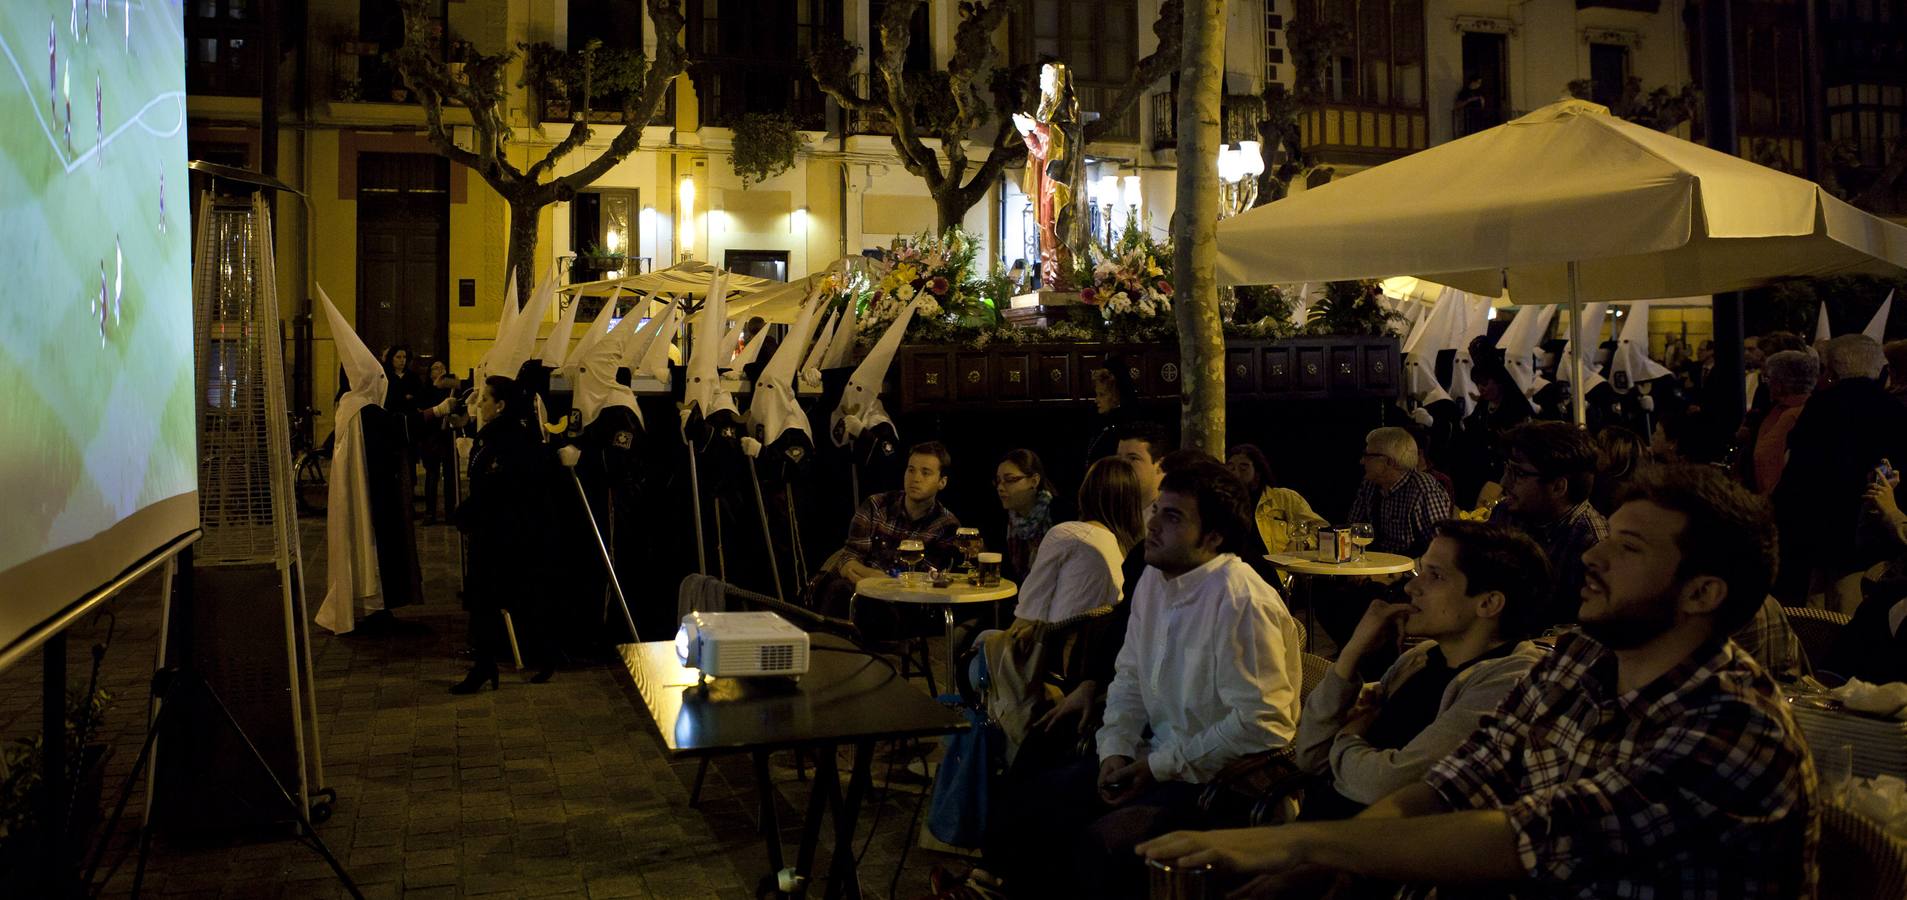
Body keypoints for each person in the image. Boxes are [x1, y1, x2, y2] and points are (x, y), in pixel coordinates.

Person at [1139, 464, 1818, 899]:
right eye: (1606, 534)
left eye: (1628, 547)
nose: (1593, 552)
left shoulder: (1734, 727)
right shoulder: (1582, 658)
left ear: (1700, 593)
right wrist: (1315, 869)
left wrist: (1299, 842)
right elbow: (1457, 781)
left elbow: (1527, 838)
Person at [995, 462, 1303, 899]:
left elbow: (1264, 723)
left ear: (1213, 537)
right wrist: (1114, 751)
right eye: (1157, 509)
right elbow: (1130, 677)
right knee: (1031, 801)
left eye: (1173, 517)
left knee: (1099, 845)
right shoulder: (1156, 579)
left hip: (1219, 783)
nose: (1153, 524)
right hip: (1158, 758)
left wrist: (1156, 767)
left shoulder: (1242, 601)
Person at [1293, 521, 1548, 820]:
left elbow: (1386, 785)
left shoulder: (1508, 683)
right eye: (1421, 571)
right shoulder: (1420, 658)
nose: (1412, 587)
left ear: (1489, 602)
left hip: (1365, 856)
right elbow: (1309, 756)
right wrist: (1352, 654)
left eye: (1436, 576)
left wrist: (1349, 736)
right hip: (1317, 836)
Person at [1772, 334, 1907, 610]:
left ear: (1832, 372)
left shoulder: (1820, 408)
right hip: (1869, 547)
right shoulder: (1895, 410)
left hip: (1818, 542)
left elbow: (1797, 475)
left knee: (1820, 618)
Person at [451, 377, 553, 691]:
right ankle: (484, 664)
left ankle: (544, 656)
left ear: (501, 405)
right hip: (490, 528)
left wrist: (467, 511)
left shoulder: (512, 438)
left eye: (484, 399)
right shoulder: (492, 435)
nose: (478, 404)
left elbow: (501, 487)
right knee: (484, 599)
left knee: (515, 595)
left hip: (505, 531)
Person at [1488, 421, 1607, 624]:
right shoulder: (1508, 514)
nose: (1504, 482)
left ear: (1559, 487)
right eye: (1507, 469)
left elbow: (1587, 629)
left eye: (1519, 474)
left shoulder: (1592, 542)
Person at [1346, 427, 1454, 559]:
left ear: (1389, 462)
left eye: (1367, 455)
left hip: (1407, 571)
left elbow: (1441, 549)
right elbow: (1352, 529)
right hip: (1375, 565)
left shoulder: (1422, 489)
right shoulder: (1370, 484)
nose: (1361, 461)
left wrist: (1400, 575)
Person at [1742, 349, 1818, 497]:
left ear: (1782, 382)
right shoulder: (1777, 408)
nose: (1766, 384)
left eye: (1768, 378)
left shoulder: (1799, 415)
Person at [1226, 443, 1325, 555]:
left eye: (1243, 468)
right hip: (1236, 570)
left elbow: (1322, 530)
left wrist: (1302, 542)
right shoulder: (1225, 502)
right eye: (1231, 468)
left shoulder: (1283, 499)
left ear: (1258, 472)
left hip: (1276, 570)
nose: (1235, 473)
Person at [996, 449, 1055, 584]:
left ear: (1034, 481)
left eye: (1010, 480)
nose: (1000, 487)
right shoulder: (1002, 520)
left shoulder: (1060, 514)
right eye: (998, 481)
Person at [416, 359, 461, 524]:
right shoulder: (425, 390)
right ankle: (430, 512)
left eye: (443, 367)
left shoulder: (451, 390)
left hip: (448, 436)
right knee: (432, 474)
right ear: (430, 373)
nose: (440, 370)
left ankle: (450, 512)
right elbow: (423, 413)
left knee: (450, 475)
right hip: (431, 436)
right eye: (436, 368)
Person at [1085, 358, 1142, 464]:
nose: (1096, 400)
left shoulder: (1124, 431)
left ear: (1116, 397)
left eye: (1102, 395)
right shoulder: (1100, 424)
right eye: (1096, 394)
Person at [1589, 424, 1649, 516]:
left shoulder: (1604, 489)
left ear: (1616, 457)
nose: (1595, 450)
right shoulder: (1641, 490)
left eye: (1600, 447)